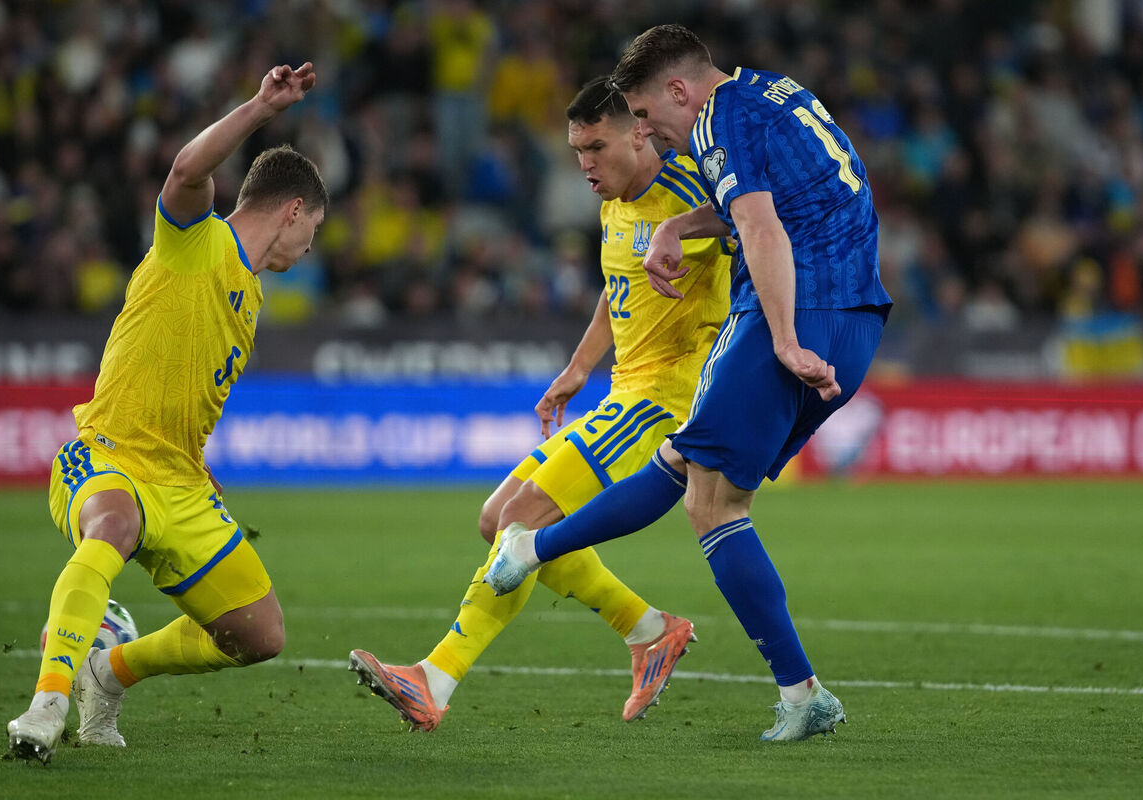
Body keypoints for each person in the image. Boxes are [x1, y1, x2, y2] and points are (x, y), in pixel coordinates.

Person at [484, 25, 892, 742]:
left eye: (643, 116)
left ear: (679, 91)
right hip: (857, 317)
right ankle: (801, 694)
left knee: (707, 503)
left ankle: (535, 550)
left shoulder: (717, 119)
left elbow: (763, 231)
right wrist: (681, 225)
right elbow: (777, 198)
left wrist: (787, 339)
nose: (647, 132)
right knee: (698, 481)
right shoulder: (770, 90)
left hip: (796, 310)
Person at [349, 76, 731, 731]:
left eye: (596, 147)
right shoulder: (612, 203)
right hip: (623, 393)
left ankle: (433, 680)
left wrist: (687, 226)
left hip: (667, 399)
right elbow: (618, 291)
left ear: (640, 133)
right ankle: (648, 630)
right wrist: (577, 368)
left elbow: (750, 213)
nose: (585, 164)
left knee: (519, 520)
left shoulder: (689, 191)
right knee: (496, 520)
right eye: (576, 149)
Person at [6, 63, 328, 763]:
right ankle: (47, 701)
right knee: (112, 524)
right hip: (110, 453)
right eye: (314, 233)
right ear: (295, 211)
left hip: (179, 482)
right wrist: (259, 109)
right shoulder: (196, 242)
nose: (310, 252)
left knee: (259, 635)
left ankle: (108, 670)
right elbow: (186, 168)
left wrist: (199, 467)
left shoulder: (250, 299)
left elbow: (189, 392)